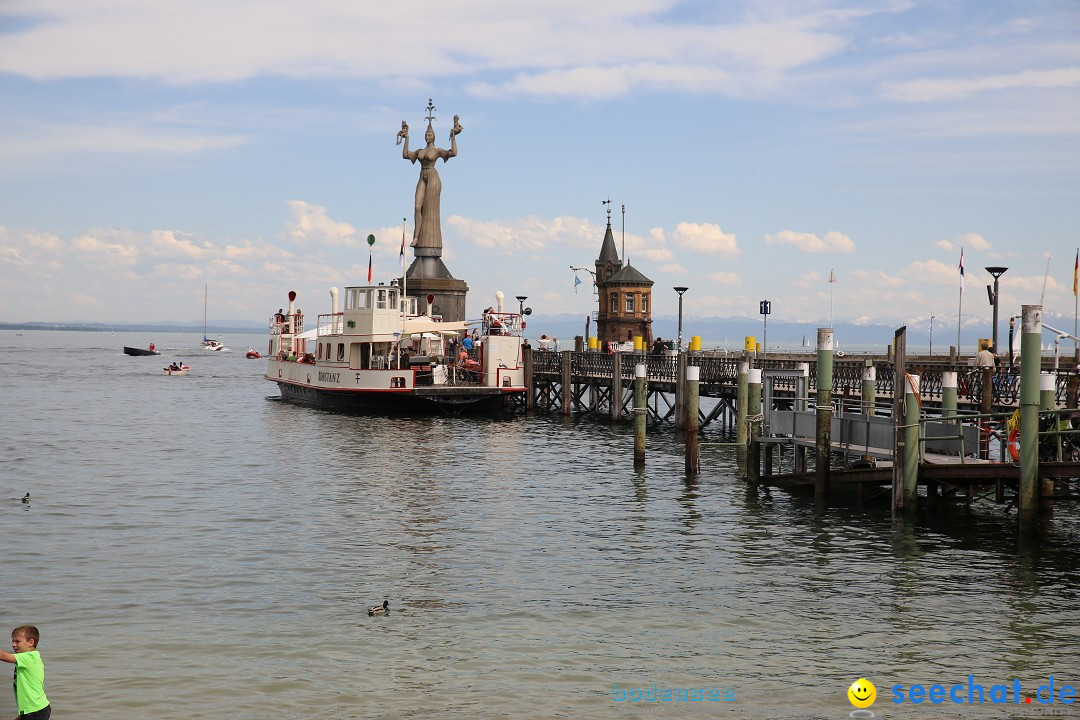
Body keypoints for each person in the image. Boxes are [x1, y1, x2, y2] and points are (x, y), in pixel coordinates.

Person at [400, 107, 461, 252]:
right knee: (417, 207)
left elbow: (453, 153)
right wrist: (406, 138)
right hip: (422, 175)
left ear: (433, 136)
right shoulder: (420, 151)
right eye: (426, 134)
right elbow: (405, 155)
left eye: (429, 134)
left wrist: (453, 136)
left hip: (433, 177)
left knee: (429, 209)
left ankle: (426, 239)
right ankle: (416, 237)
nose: (427, 136)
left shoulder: (437, 150)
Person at [1, 625, 51, 719]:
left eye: (17, 641)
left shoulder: (29, 657)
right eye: (12, 641)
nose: (13, 644)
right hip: (34, 709)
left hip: (34, 711)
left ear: (31, 642)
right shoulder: (30, 658)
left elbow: (2, 656)